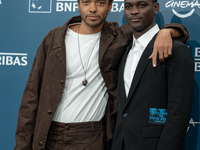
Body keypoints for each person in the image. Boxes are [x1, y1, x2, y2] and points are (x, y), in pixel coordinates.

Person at [14, 0, 189, 149]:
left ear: (110, 6)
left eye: (100, 2)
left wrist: (169, 31)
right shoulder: (54, 38)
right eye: (86, 2)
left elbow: (149, 30)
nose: (92, 8)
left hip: (91, 136)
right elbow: (31, 97)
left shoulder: (118, 37)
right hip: (48, 132)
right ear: (78, 4)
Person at [112, 0, 194, 150]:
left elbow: (179, 114)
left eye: (141, 5)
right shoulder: (123, 50)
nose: (134, 11)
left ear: (155, 8)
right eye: (128, 7)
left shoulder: (177, 50)